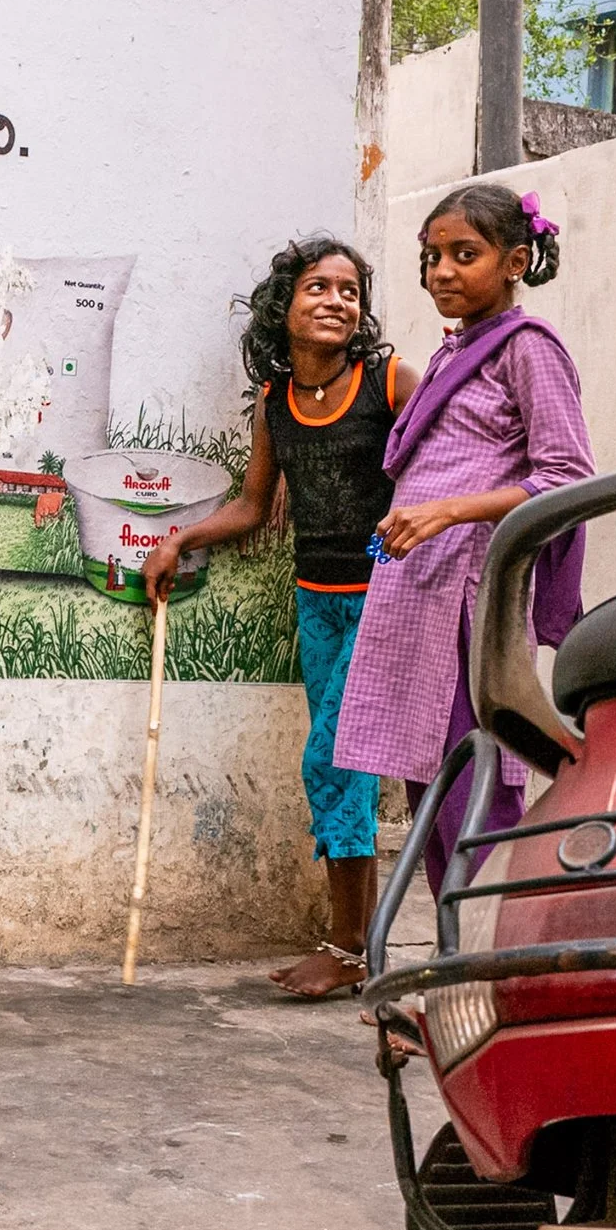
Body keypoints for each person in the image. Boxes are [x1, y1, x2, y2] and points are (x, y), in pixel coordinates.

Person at [142, 237, 416, 998]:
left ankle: (351, 949)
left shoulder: (390, 381)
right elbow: (254, 507)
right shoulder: (276, 401)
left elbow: (441, 464)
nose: (336, 301)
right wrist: (181, 538)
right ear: (284, 307)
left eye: (350, 291)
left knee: (335, 760)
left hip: (386, 598)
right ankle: (359, 944)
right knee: (342, 765)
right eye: (318, 288)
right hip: (316, 604)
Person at [334, 183, 593, 895]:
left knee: (475, 790)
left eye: (463, 254)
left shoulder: (528, 349)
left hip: (468, 606)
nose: (441, 271)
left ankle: (487, 963)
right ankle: (454, 968)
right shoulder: (455, 351)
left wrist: (445, 513)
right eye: (431, 256)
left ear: (515, 261)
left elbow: (567, 476)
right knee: (430, 790)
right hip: (420, 598)